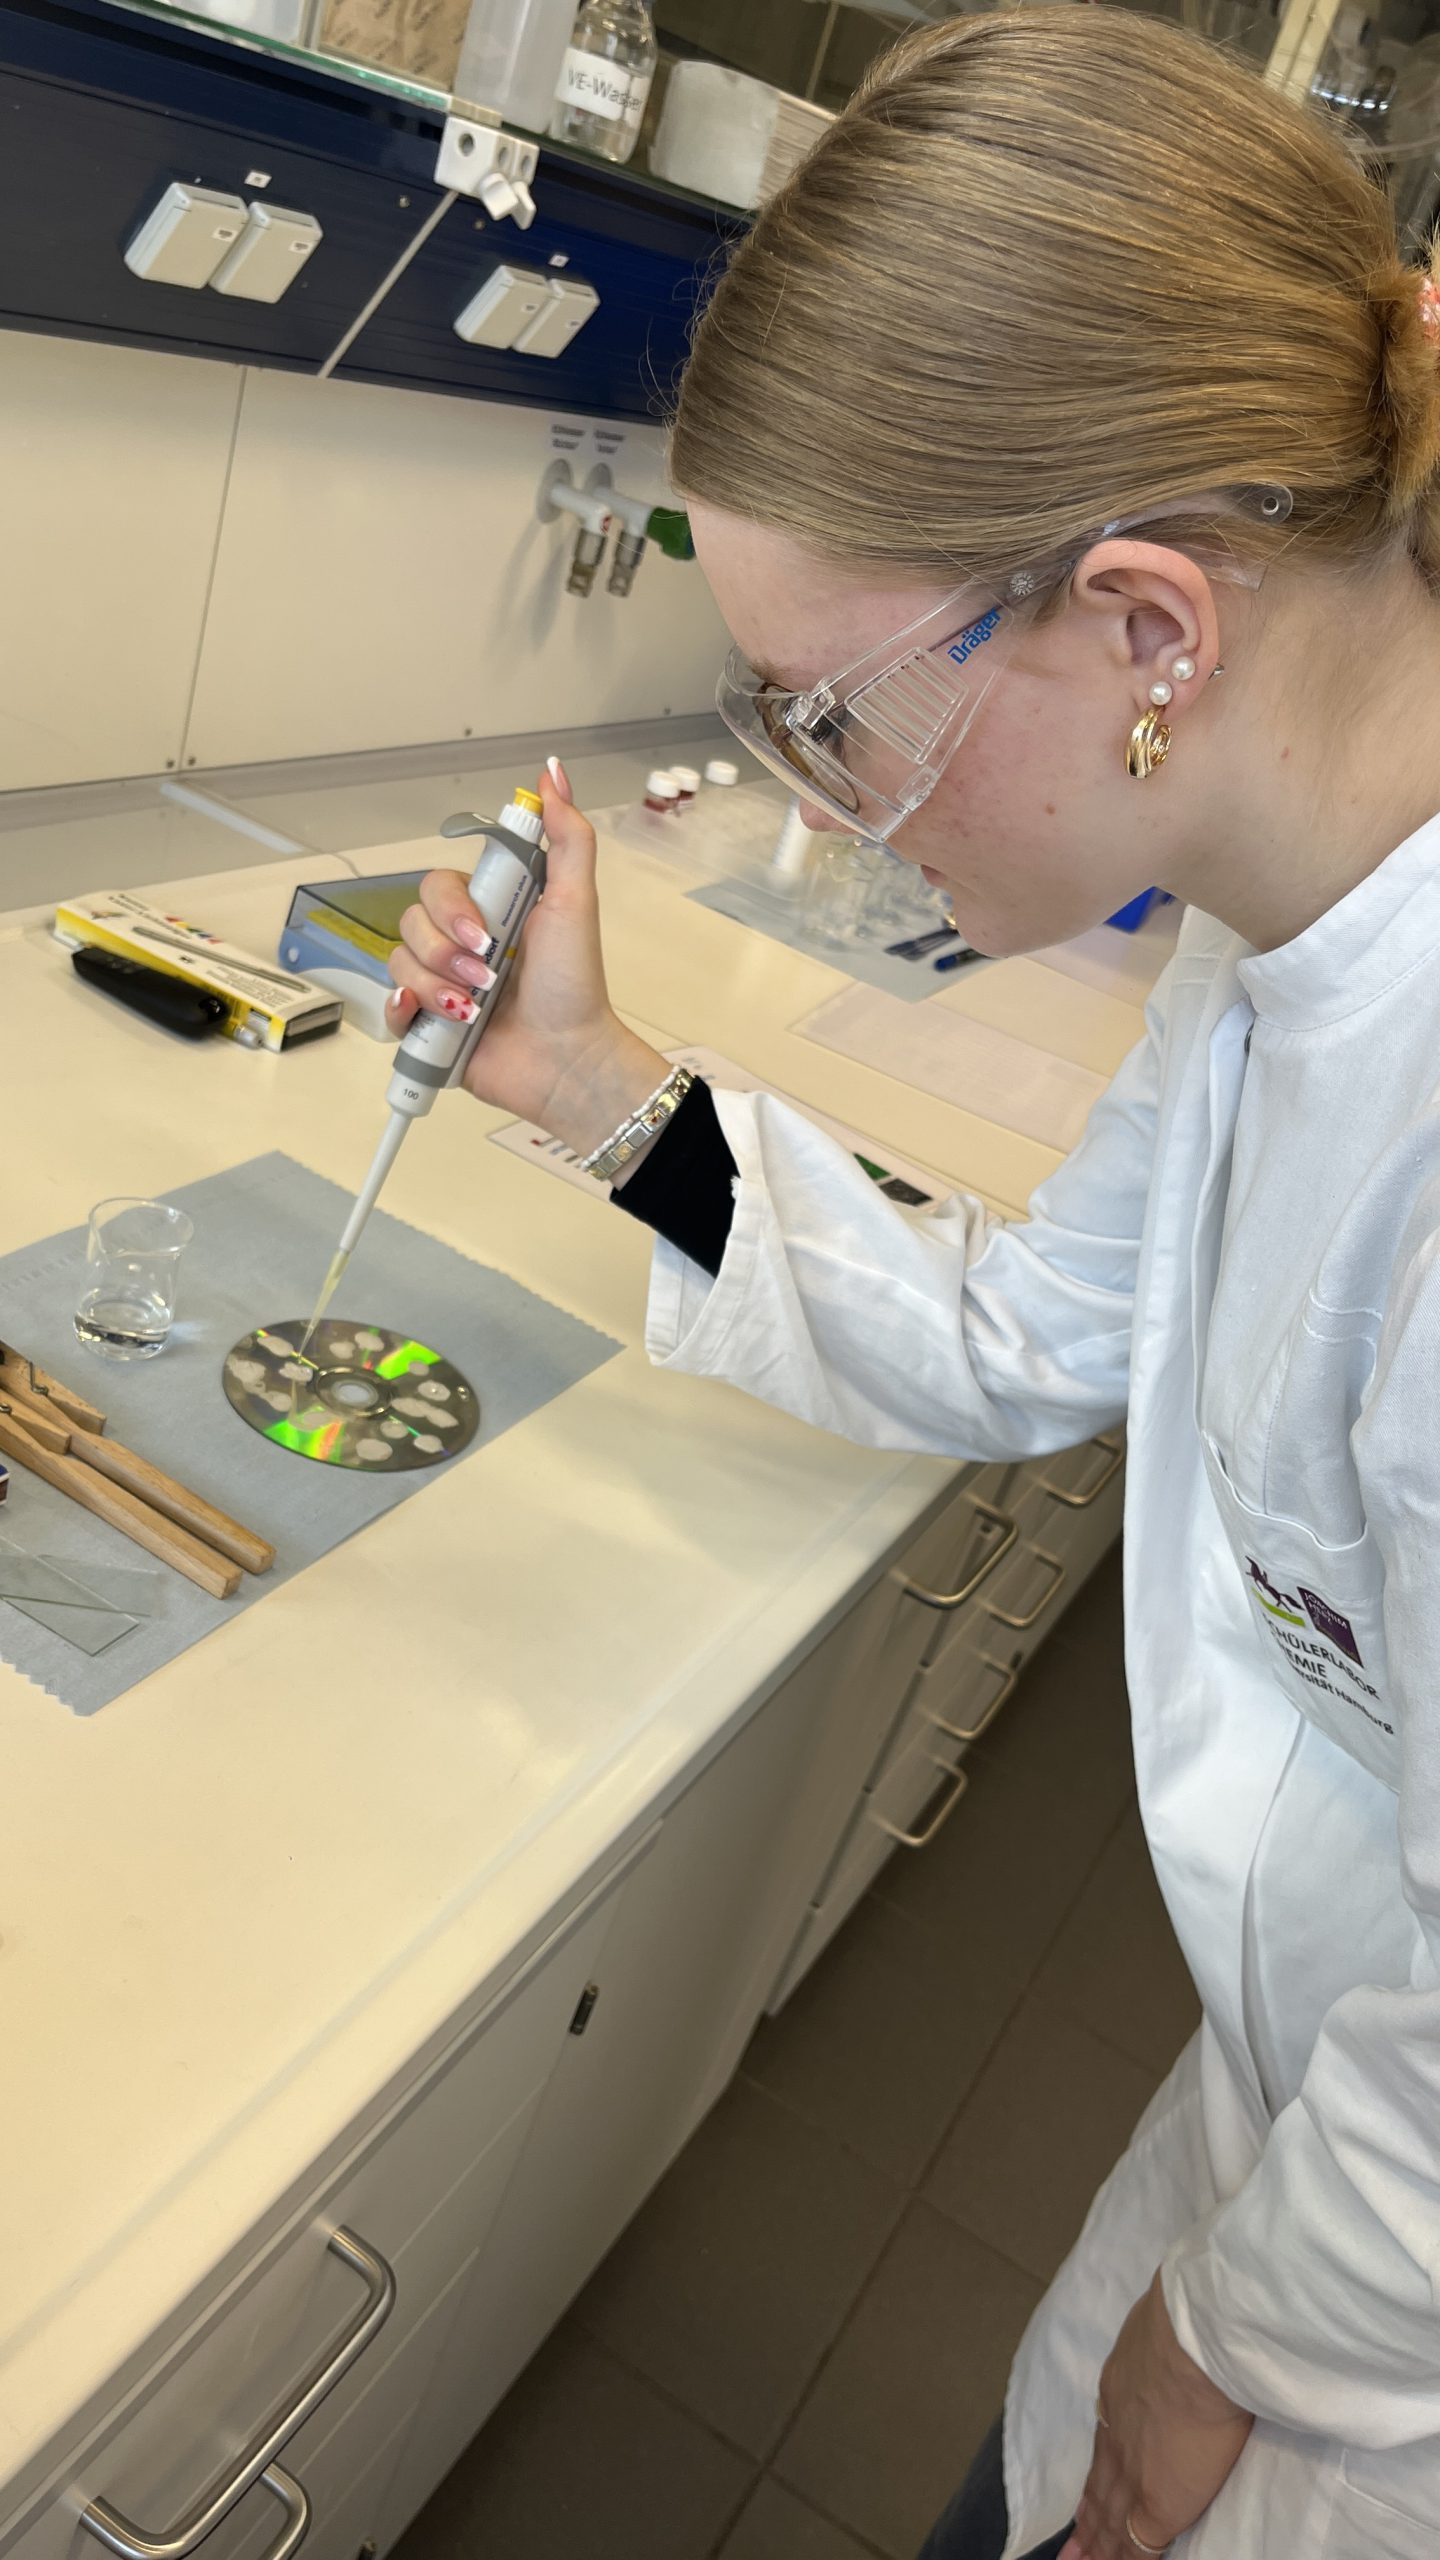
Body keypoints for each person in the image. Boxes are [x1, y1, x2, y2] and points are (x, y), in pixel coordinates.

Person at [387, 10, 1440, 2555]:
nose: (824, 800)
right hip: (1298, 2137)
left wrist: (1227, 2344)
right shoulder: (1271, 939)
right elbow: (1019, 1326)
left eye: (830, 716)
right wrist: (595, 1086)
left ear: (1148, 626)